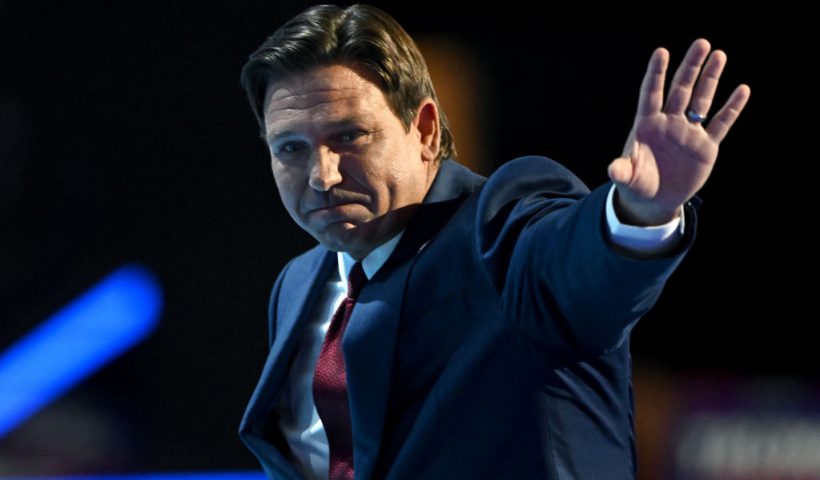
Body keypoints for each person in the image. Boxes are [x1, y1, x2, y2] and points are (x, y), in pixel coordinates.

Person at [237, 4, 750, 479]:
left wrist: (640, 211)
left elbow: (576, 266)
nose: (322, 175)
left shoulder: (500, 225)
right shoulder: (298, 283)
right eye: (292, 148)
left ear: (425, 130)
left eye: (349, 136)